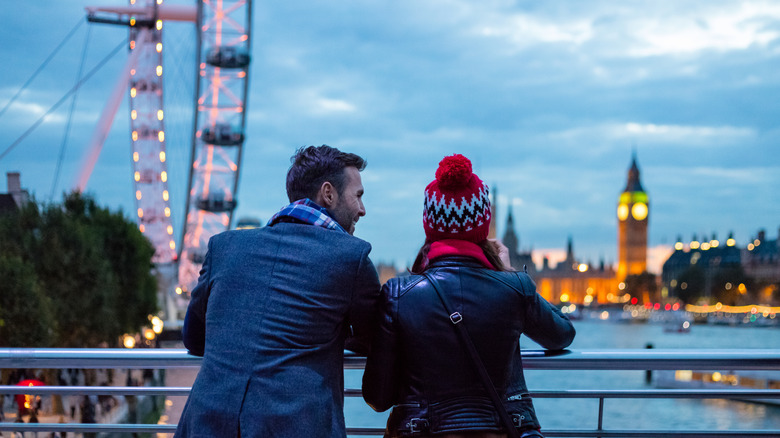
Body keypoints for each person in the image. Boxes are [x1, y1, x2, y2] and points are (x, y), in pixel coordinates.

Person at [362, 154, 576, 438]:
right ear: (483, 225)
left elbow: (378, 398)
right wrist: (510, 273)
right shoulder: (515, 288)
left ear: (429, 225)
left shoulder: (399, 295)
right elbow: (562, 334)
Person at [175, 145, 381, 438]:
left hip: (207, 425)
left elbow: (194, 339)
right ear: (328, 193)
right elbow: (373, 339)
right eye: (358, 196)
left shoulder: (225, 247)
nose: (362, 209)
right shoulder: (352, 258)